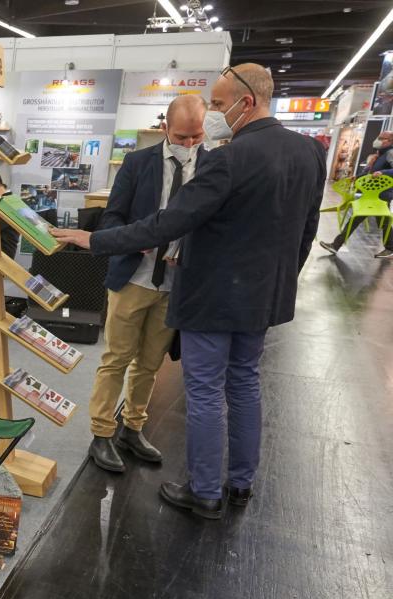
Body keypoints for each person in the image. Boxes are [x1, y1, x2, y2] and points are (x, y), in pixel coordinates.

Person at [53, 64, 326, 520]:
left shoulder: (226, 159)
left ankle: (204, 491)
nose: (212, 115)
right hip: (261, 299)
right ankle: (240, 485)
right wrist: (280, 282)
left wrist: (94, 239)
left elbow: (169, 222)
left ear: (246, 102)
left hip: (209, 297)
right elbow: (307, 229)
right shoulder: (310, 152)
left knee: (204, 393)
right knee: (244, 385)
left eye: (218, 104)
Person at [87, 95, 207, 473]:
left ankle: (133, 428)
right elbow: (112, 218)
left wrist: (188, 246)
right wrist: (132, 240)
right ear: (164, 128)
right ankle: (102, 433)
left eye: (197, 136)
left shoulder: (212, 166)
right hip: (133, 279)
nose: (189, 144)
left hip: (175, 284)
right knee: (116, 358)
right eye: (182, 137)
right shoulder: (138, 163)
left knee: (150, 364)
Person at [319, 130, 393, 258]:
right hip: (371, 195)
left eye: (382, 138)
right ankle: (336, 245)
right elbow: (370, 173)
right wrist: (357, 176)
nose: (378, 140)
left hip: (381, 194)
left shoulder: (390, 153)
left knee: (380, 222)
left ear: (390, 141)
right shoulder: (380, 154)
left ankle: (390, 248)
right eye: (379, 137)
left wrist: (383, 173)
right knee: (363, 219)